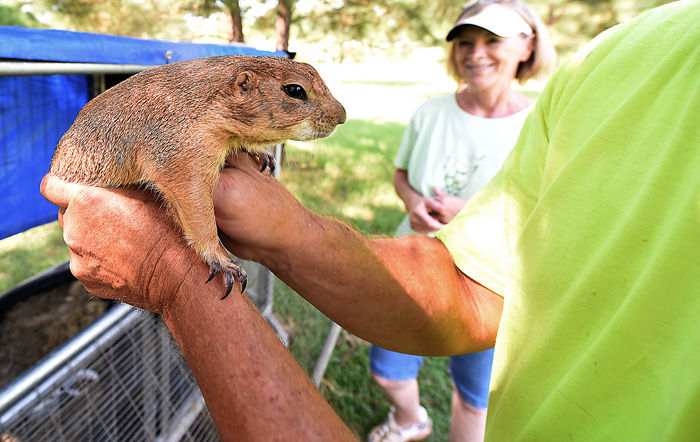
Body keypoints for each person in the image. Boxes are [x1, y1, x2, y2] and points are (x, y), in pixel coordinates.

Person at [40, 1, 699, 440]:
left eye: (493, 39)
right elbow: (476, 283)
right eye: (299, 98)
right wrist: (288, 229)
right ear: (238, 92)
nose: (331, 116)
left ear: (527, 47)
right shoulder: (622, 60)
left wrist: (176, 272)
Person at [367, 1, 556, 441]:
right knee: (388, 369)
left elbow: (547, 211)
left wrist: (469, 214)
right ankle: (410, 419)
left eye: (493, 41)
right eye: (466, 42)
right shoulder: (431, 112)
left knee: (475, 397)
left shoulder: (538, 125)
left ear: (526, 46)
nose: (476, 53)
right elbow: (401, 174)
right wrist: (413, 200)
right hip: (412, 264)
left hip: (490, 282)